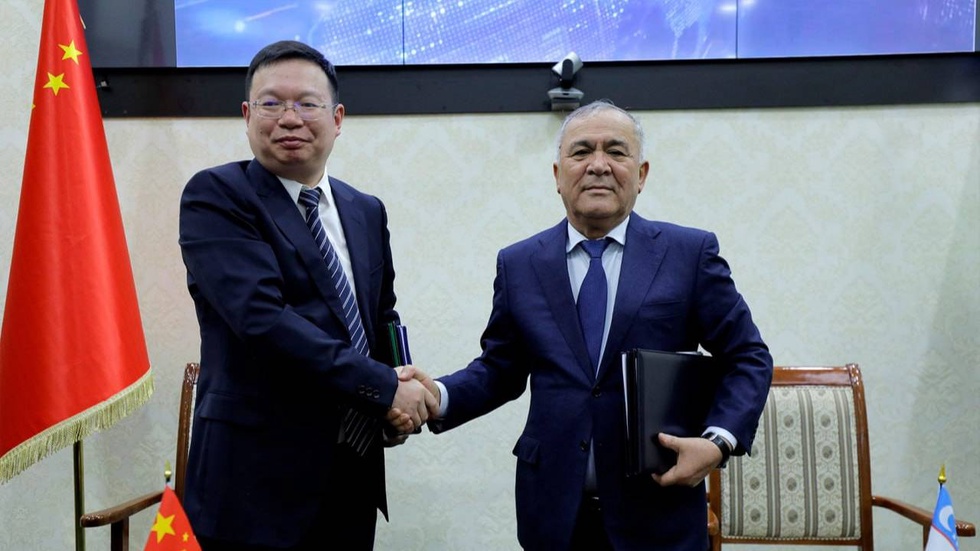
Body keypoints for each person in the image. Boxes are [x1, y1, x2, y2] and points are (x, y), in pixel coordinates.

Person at [421, 100, 773, 550]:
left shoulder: (688, 254)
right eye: (582, 151)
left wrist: (717, 441)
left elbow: (747, 357)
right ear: (557, 174)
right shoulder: (520, 263)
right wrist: (437, 396)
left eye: (616, 152)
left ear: (641, 174)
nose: (599, 165)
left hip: (660, 515)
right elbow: (499, 370)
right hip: (554, 517)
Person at [178, 40, 435, 551]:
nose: (289, 118)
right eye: (271, 103)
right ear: (247, 116)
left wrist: (399, 389)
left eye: (307, 103)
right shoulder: (217, 196)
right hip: (252, 484)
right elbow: (262, 320)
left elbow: (382, 315)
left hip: (351, 473)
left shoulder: (366, 210)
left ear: (337, 118)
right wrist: (384, 387)